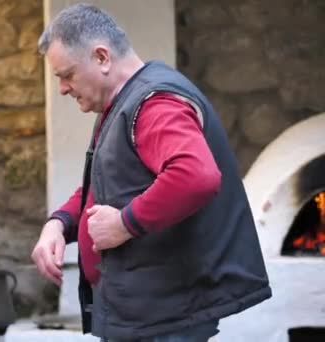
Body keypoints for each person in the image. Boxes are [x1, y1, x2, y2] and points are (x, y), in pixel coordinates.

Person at [30, 3, 271, 342]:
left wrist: (125, 223)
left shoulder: (154, 103)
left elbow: (196, 176)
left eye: (66, 75)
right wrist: (60, 224)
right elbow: (108, 185)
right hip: (145, 316)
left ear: (102, 57)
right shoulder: (123, 102)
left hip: (165, 322)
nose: (63, 89)